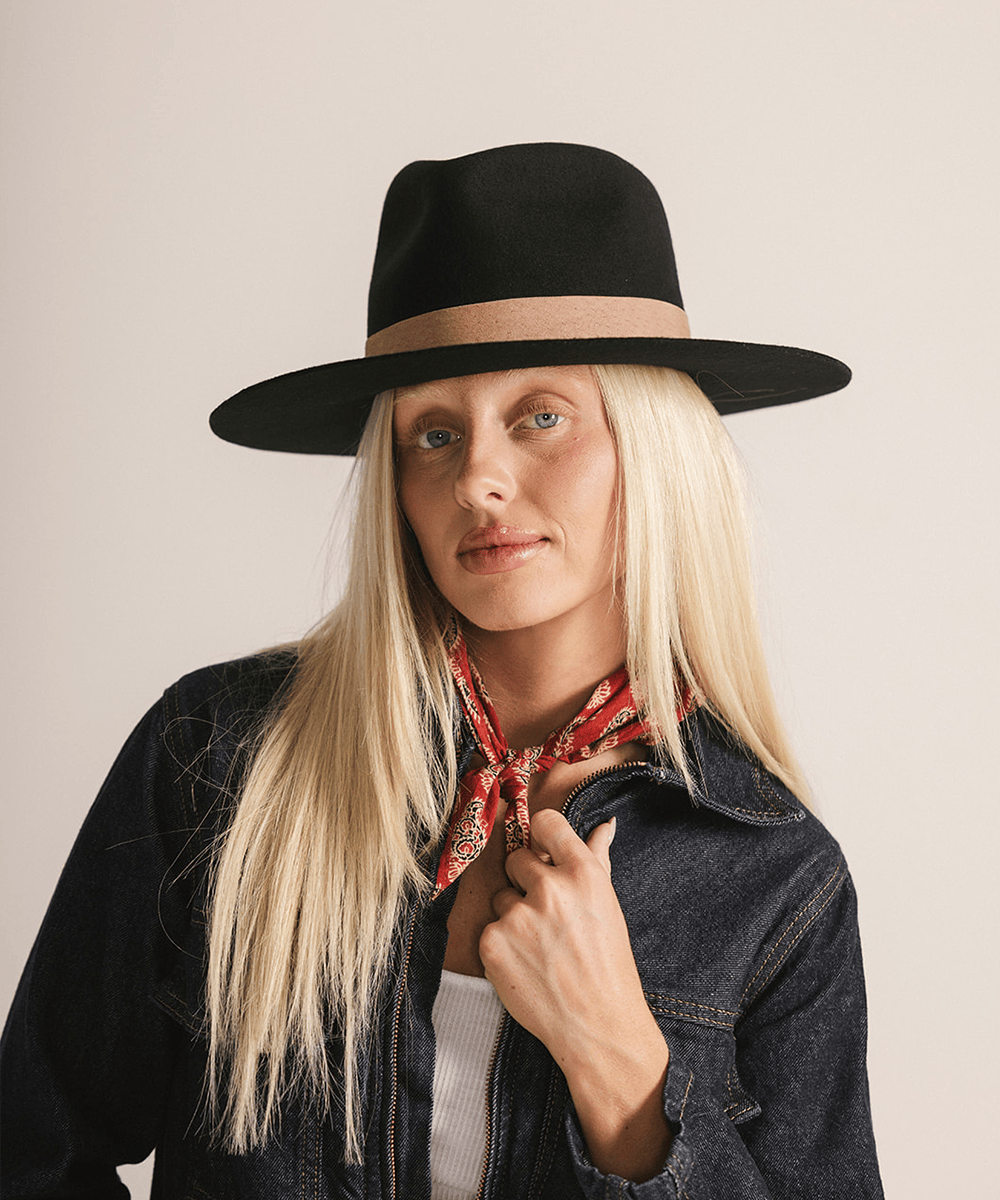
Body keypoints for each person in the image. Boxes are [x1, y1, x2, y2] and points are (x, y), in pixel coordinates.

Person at [1, 143, 884, 1198]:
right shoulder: (220, 761)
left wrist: (619, 1058)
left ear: (650, 446)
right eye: (430, 433)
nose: (477, 478)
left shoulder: (770, 874)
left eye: (539, 416)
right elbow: (34, 1149)